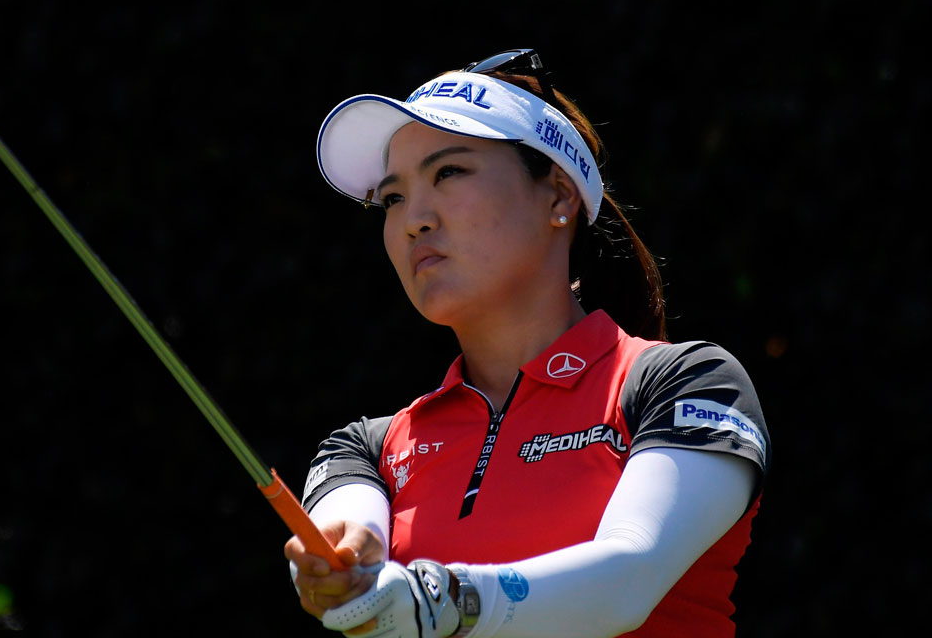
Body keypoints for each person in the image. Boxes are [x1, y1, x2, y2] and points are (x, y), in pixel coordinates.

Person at [284, 49, 771, 638]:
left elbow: (628, 581)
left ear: (560, 197)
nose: (414, 218)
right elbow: (352, 537)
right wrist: (347, 567)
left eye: (448, 173)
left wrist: (445, 600)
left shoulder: (686, 382)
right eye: (392, 198)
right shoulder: (368, 450)